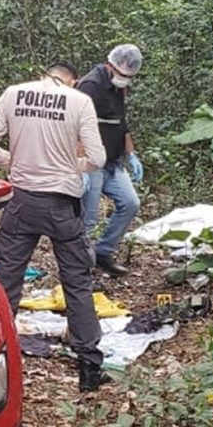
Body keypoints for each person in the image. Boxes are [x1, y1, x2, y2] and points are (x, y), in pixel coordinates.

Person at [0, 61, 108, 392]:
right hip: (62, 204)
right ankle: (89, 367)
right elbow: (98, 159)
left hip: (22, 202)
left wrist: (16, 162)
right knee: (76, 281)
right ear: (73, 81)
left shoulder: (14, 94)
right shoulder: (79, 102)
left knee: (6, 280)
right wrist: (74, 166)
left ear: (43, 74)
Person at [77, 44, 144, 276]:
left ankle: (103, 252)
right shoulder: (90, 85)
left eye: (129, 77)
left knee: (130, 202)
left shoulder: (119, 88)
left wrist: (131, 155)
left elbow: (121, 123)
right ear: (111, 65)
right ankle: (78, 264)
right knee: (89, 216)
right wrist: (81, 165)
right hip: (91, 160)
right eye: (123, 74)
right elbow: (75, 126)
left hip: (112, 160)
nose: (125, 79)